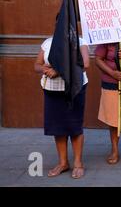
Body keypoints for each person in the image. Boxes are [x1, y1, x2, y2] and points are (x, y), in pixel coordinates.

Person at [34, 35, 90, 179]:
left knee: (74, 125)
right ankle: (63, 162)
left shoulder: (80, 42)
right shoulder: (47, 42)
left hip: (74, 89)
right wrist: (44, 68)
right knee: (57, 127)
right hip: (52, 90)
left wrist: (59, 71)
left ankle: (78, 163)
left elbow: (85, 64)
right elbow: (36, 65)